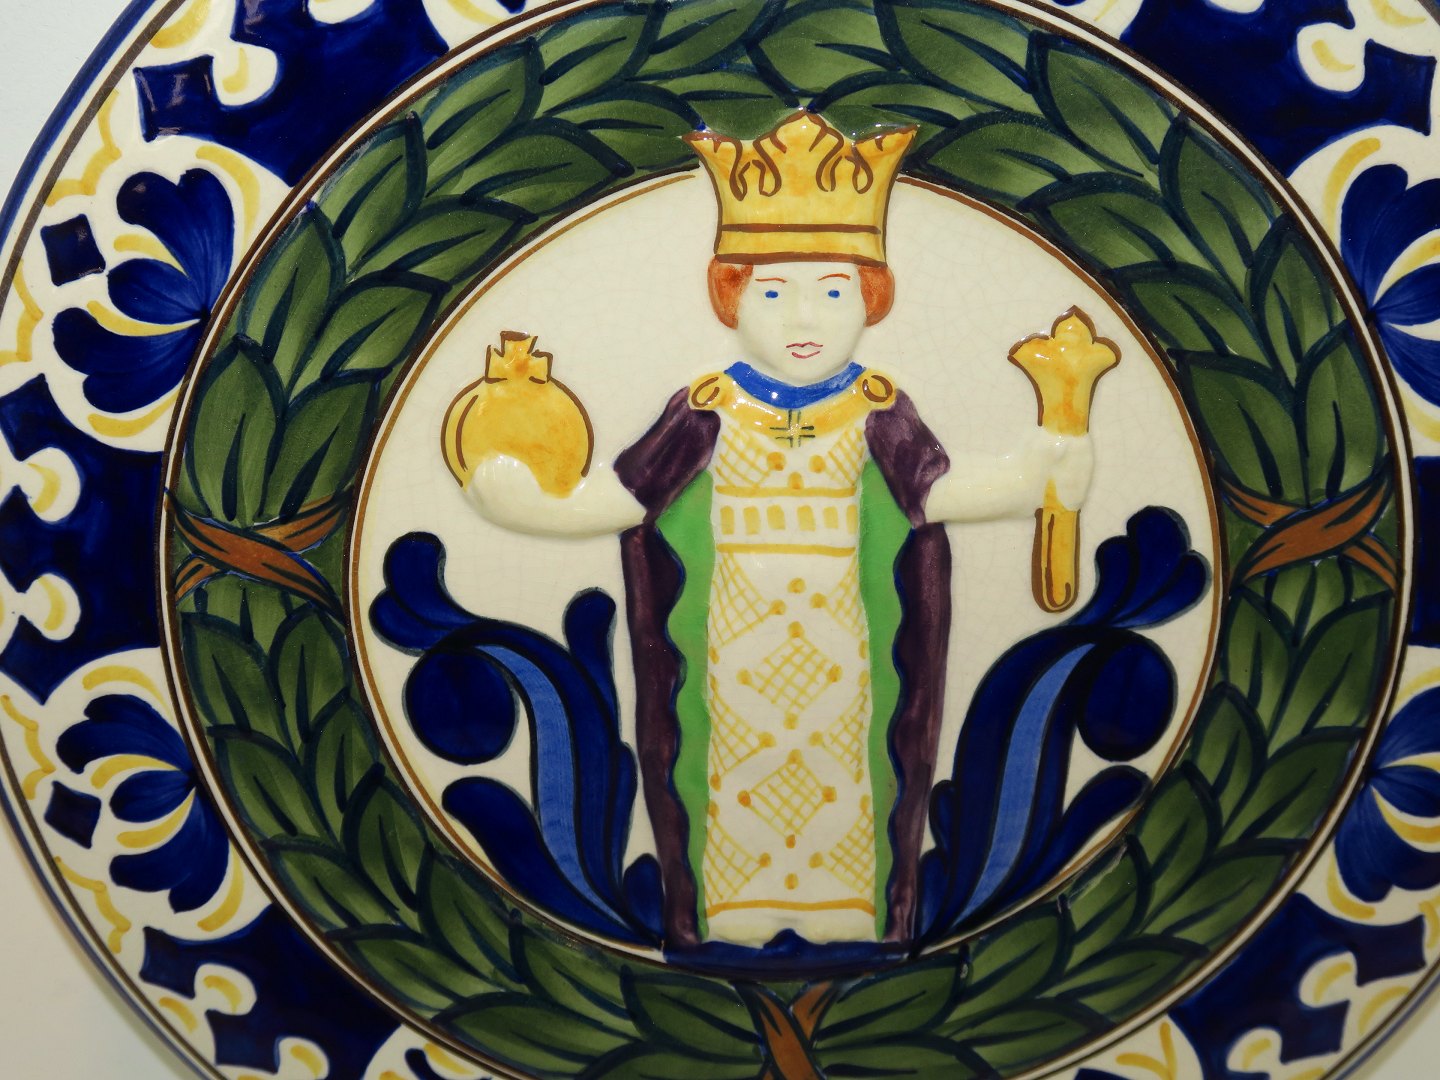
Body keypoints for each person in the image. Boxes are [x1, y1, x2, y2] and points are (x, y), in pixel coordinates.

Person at [466, 113, 1091, 951]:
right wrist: (524, 507)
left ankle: (853, 920)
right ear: (731, 298)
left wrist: (1037, 475)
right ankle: (725, 920)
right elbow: (625, 498)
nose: (806, 317)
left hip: (852, 662)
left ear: (869, 300)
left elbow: (934, 495)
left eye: (833, 292)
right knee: (729, 785)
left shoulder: (876, 409)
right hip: (726, 663)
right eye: (773, 292)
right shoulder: (705, 409)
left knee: (849, 785)